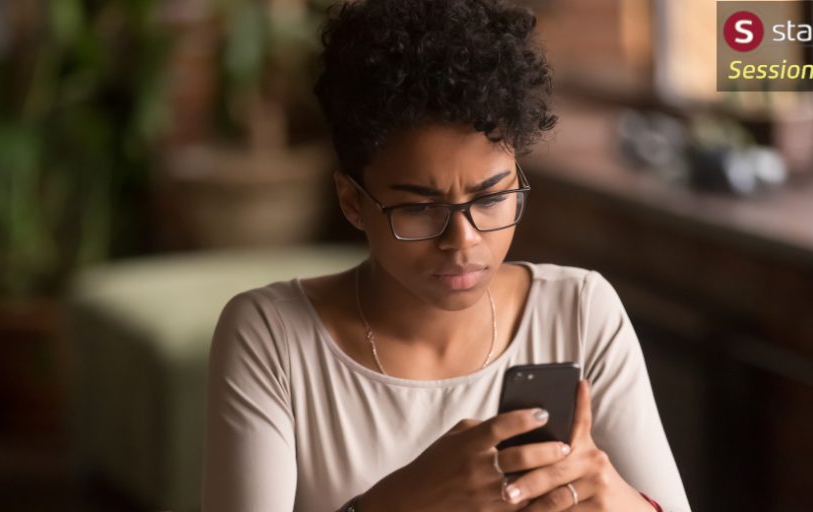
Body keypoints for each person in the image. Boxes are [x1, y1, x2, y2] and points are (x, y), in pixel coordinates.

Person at [201, 0, 691, 510]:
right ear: (352, 201)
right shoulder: (273, 338)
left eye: (492, 198)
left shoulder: (581, 312)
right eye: (418, 208)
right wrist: (400, 502)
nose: (463, 241)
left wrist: (613, 495)